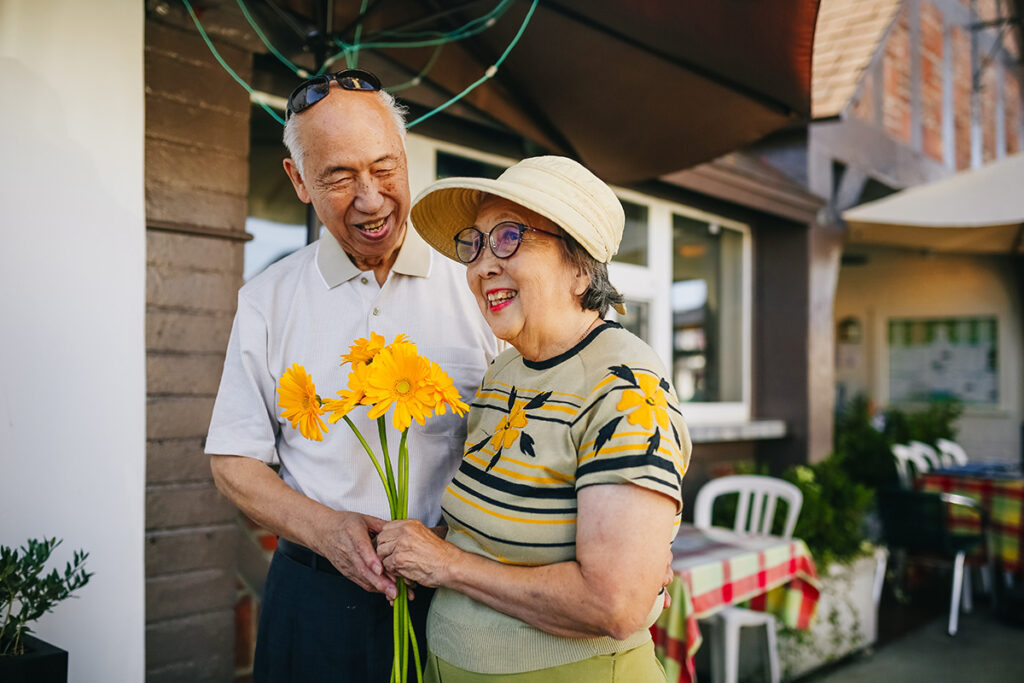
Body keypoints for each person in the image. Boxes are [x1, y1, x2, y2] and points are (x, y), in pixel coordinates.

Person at [205, 69, 501, 682]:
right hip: (313, 600)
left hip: (459, 597)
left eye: (384, 168)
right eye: (339, 177)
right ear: (299, 181)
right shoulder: (267, 299)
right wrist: (327, 530)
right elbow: (233, 461)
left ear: (407, 156)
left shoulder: (480, 284)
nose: (371, 199)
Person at [376, 155, 692, 682]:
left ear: (578, 265)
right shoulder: (505, 371)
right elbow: (494, 532)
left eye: (508, 238)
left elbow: (615, 606)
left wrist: (446, 565)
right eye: (474, 244)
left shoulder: (624, 385)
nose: (481, 266)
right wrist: (416, 544)